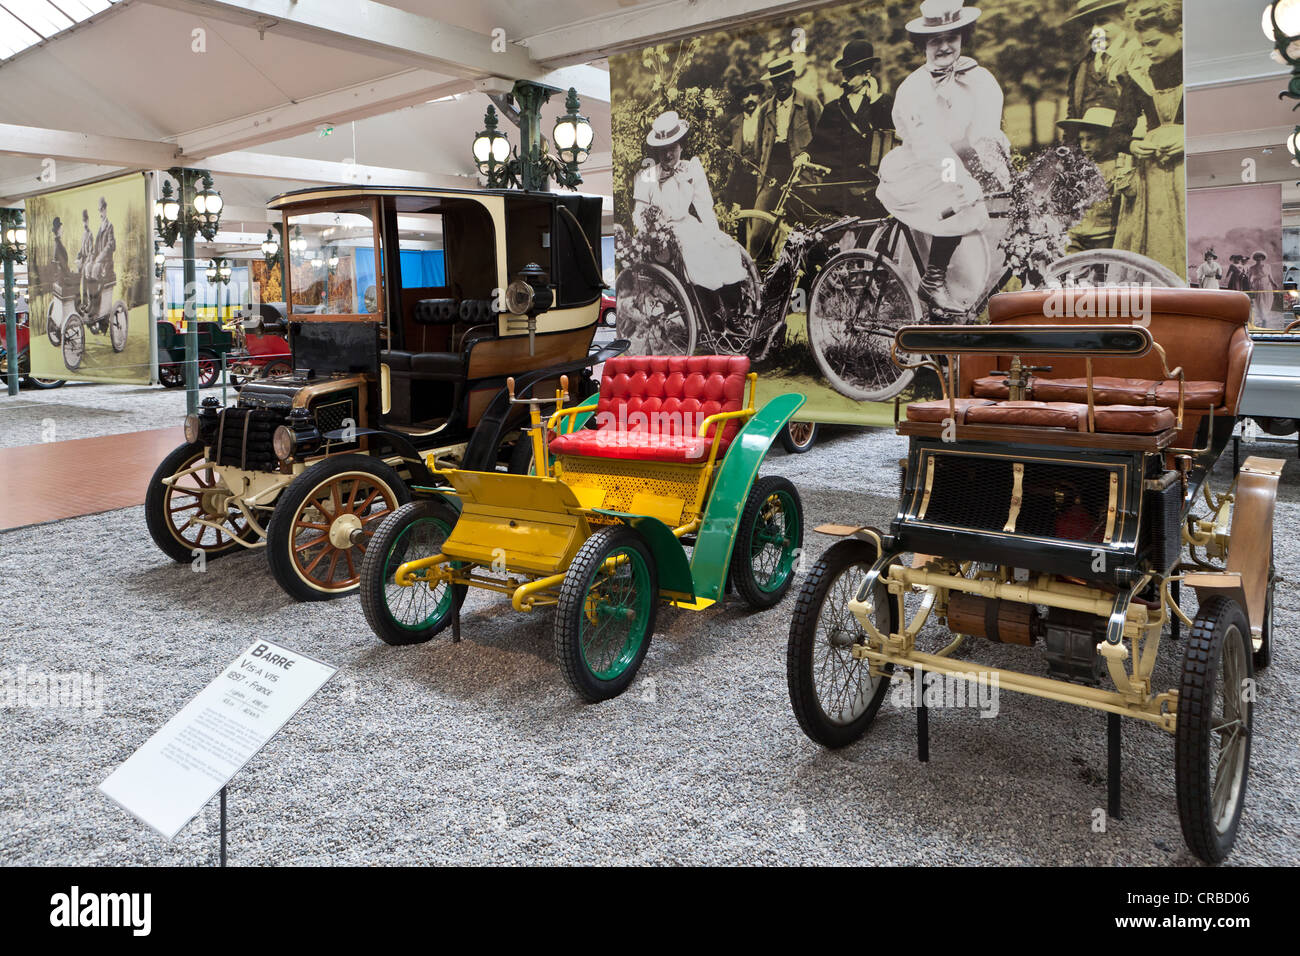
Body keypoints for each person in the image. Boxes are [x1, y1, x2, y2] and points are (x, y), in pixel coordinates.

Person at [876, 0, 1010, 312]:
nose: (945, 47)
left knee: (976, 218)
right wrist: (962, 179)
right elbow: (928, 145)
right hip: (918, 169)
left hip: (955, 165)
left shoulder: (979, 79)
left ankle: (950, 309)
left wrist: (997, 166)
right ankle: (932, 281)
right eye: (936, 40)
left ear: (963, 38)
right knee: (958, 194)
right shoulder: (914, 88)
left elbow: (985, 131)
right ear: (924, 44)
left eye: (952, 38)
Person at [633, 111, 749, 312]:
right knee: (696, 253)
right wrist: (651, 232)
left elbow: (704, 206)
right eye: (663, 151)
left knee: (724, 247)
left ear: (681, 146)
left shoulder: (691, 169)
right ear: (657, 151)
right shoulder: (648, 176)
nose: (668, 155)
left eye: (672, 149)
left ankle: (734, 311)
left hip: (688, 225)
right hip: (665, 234)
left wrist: (715, 233)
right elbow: (639, 213)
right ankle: (711, 314)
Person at [1112, 0, 1185, 278]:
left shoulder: (1195, 69)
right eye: (1143, 44)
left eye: (1153, 43)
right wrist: (1132, 144)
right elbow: (1117, 133)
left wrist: (1188, 139)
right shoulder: (1138, 77)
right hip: (1151, 175)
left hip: (1187, 173)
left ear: (1179, 32)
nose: (1146, 51)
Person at [807, 37, 896, 218]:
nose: (846, 78)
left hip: (872, 185)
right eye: (845, 73)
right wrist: (805, 155)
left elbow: (892, 136)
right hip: (840, 186)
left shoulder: (883, 103)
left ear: (867, 74)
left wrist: (875, 100)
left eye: (851, 73)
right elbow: (818, 143)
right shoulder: (833, 108)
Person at [750, 55, 823, 259]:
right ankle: (762, 280)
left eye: (784, 78)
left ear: (792, 77)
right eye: (775, 81)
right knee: (758, 234)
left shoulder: (809, 103)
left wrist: (809, 158)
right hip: (772, 175)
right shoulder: (765, 110)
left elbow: (823, 139)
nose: (780, 84)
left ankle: (812, 278)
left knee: (808, 233)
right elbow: (758, 150)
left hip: (802, 175)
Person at [1058, 107, 1123, 251]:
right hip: (1079, 235)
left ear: (1108, 139)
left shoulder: (1119, 167)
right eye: (1081, 140)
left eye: (1091, 139)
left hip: (1105, 236)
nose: (1085, 145)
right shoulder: (1081, 167)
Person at [1065, 0, 1138, 116]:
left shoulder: (1140, 56)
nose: (1094, 31)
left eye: (1102, 21)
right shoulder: (1080, 69)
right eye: (1088, 25)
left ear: (1122, 18)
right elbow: (1071, 118)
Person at [724, 73, 766, 244]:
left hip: (761, 176)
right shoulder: (735, 122)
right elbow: (724, 144)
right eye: (745, 96)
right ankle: (743, 259)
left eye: (753, 94)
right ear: (740, 100)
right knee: (740, 221)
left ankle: (764, 260)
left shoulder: (766, 117)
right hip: (741, 179)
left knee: (761, 221)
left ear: (759, 96)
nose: (749, 99)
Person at [1247, 251, 1279, 325]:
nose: (1259, 258)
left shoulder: (1267, 266)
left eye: (1260, 257)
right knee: (1259, 301)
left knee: (1267, 300)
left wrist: (1274, 283)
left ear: (1262, 258)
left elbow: (1270, 276)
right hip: (1257, 285)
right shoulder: (1252, 268)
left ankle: (1265, 315)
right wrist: (1250, 285)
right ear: (1255, 258)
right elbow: (1249, 278)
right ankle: (1264, 318)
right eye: (1257, 257)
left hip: (1267, 285)